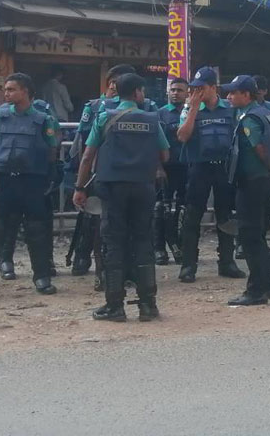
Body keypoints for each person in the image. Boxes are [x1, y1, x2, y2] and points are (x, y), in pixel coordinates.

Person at [74, 73, 168, 322]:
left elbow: (87, 155)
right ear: (138, 92)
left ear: (117, 92)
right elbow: (165, 155)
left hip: (113, 189)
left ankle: (114, 306)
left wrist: (80, 187)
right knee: (143, 241)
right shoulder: (152, 119)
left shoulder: (105, 117)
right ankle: (148, 305)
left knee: (112, 243)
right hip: (143, 187)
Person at [0, 73, 60, 302]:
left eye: (11, 89)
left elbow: (52, 151)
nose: (6, 93)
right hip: (4, 181)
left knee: (37, 231)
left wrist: (47, 177)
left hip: (32, 182)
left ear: (26, 92)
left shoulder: (43, 119)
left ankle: (41, 276)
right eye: (6, 89)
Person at [65, 64, 140, 281]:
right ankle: (90, 262)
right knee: (94, 221)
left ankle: (125, 269)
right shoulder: (96, 107)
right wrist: (83, 176)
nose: (116, 87)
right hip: (98, 172)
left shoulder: (142, 106)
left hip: (129, 172)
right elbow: (82, 144)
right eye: (114, 82)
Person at [176, 67, 245, 283]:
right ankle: (189, 265)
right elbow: (182, 136)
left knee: (225, 215)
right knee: (192, 216)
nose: (196, 92)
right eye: (193, 88)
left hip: (224, 168)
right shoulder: (190, 108)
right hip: (199, 167)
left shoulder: (230, 109)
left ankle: (226, 262)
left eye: (201, 88)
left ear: (213, 87)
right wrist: (194, 108)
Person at [220, 76, 270, 306]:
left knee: (249, 236)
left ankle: (256, 291)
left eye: (233, 93)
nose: (229, 97)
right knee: (258, 234)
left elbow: (260, 149)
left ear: (246, 95)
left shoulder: (249, 119)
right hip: (264, 180)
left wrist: (269, 167)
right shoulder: (266, 112)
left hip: (252, 180)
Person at [155, 77, 190, 265]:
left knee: (184, 209)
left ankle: (181, 245)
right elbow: (154, 145)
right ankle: (159, 248)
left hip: (187, 168)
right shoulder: (160, 114)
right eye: (173, 90)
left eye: (180, 90)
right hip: (166, 169)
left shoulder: (193, 112)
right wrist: (158, 168)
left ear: (187, 93)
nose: (175, 93)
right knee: (161, 209)